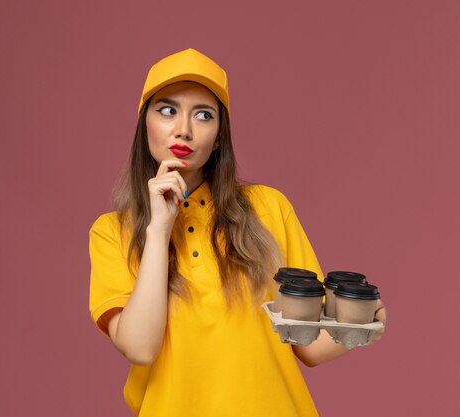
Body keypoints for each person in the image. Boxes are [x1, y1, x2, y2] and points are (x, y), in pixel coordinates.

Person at [89, 48, 387, 417]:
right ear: (144, 125)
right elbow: (140, 348)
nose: (184, 128)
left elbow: (307, 343)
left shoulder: (269, 209)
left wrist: (366, 324)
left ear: (218, 138)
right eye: (167, 110)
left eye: (203, 115)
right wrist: (159, 227)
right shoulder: (111, 233)